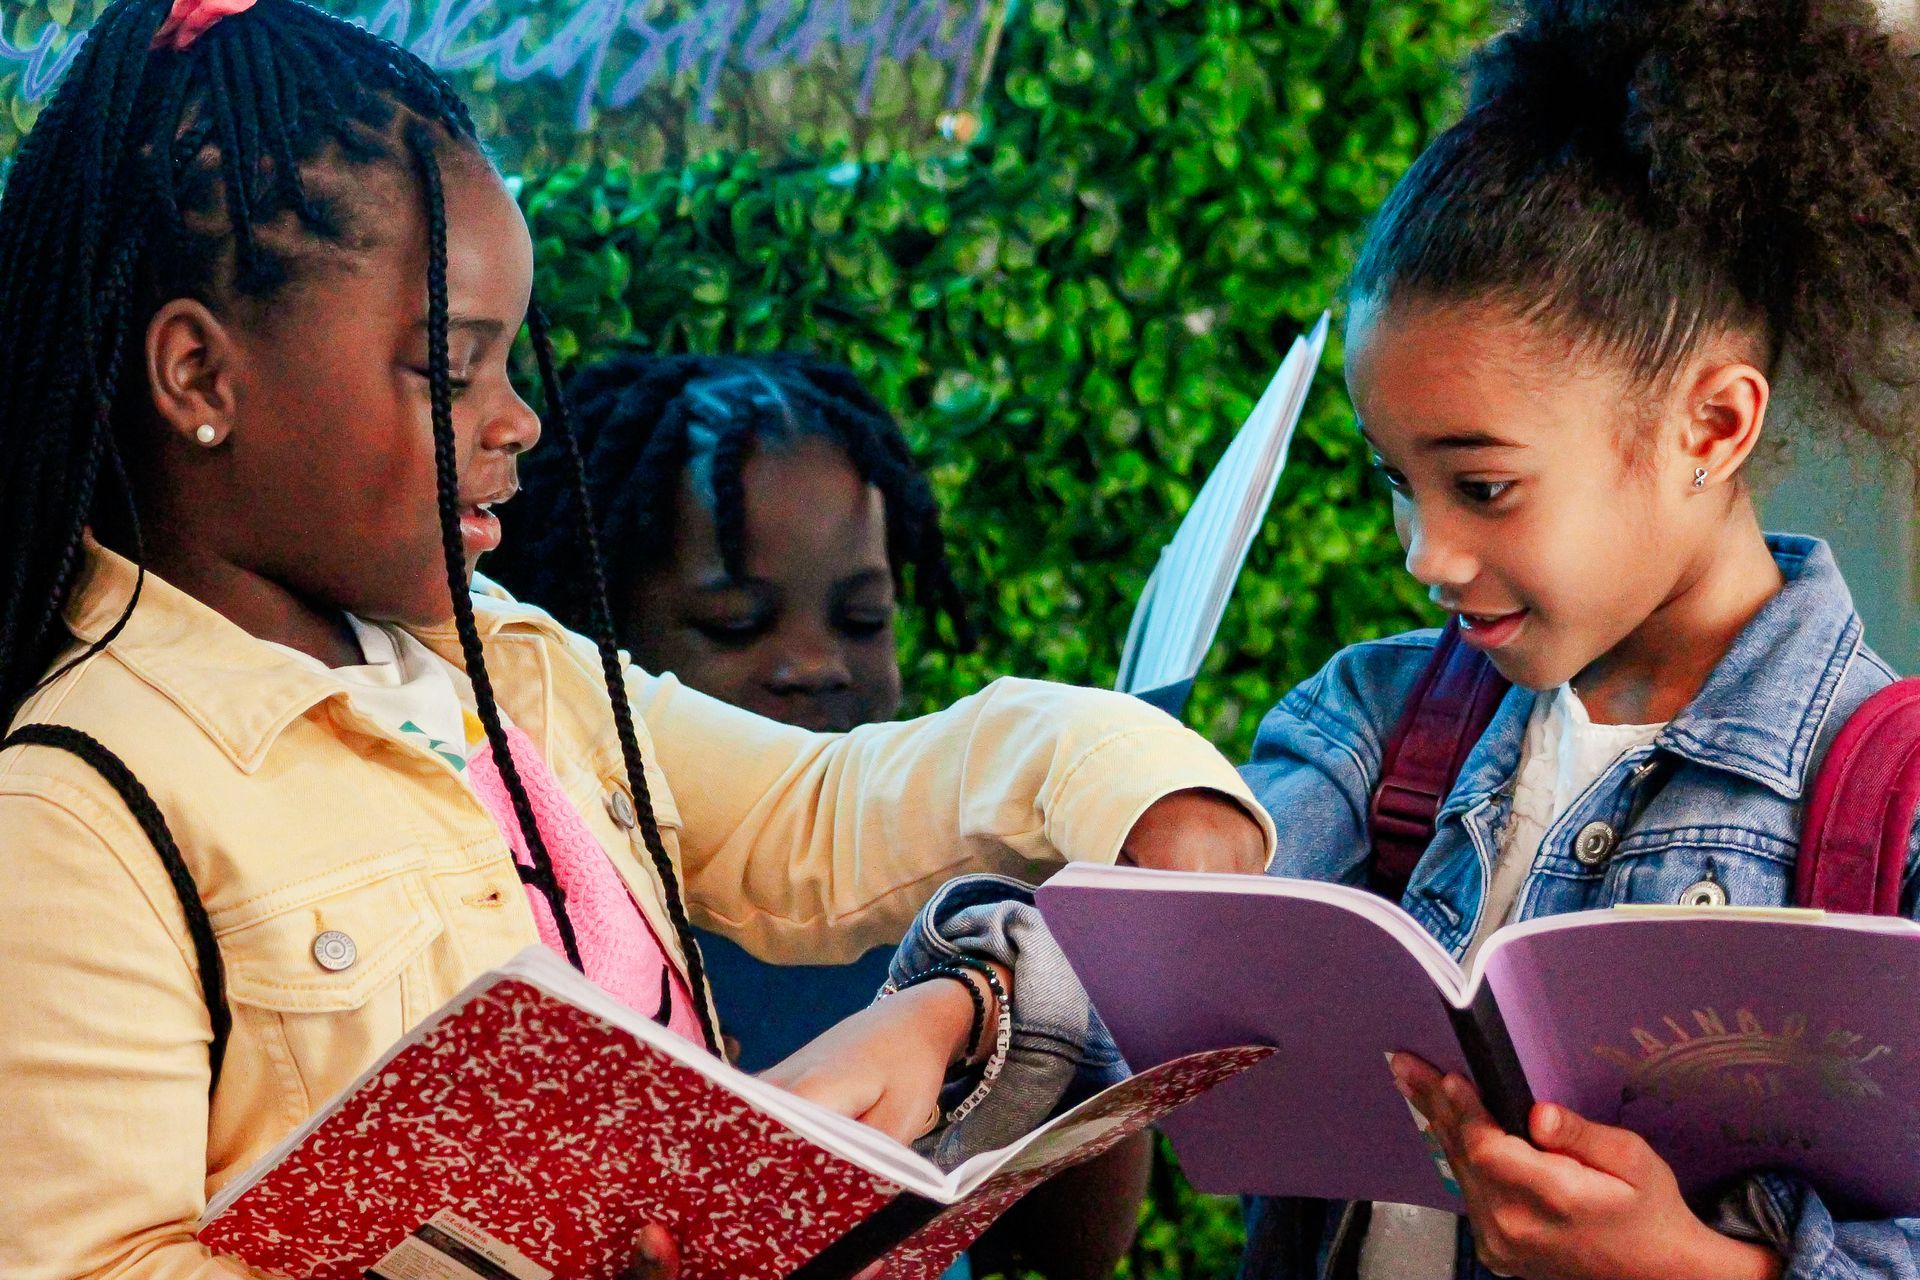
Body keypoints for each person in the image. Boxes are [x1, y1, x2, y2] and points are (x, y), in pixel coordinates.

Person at [0, 3, 1273, 1277]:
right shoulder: (74, 809)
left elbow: (825, 810)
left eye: (515, 360)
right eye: (452, 367)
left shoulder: (507, 667)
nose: (517, 422)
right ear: (199, 376)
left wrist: (1136, 778)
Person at [894, 0, 1920, 1276]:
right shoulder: (1379, 728)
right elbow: (1163, 935)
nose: (1422, 555)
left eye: (1481, 486)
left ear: (1711, 427)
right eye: (1395, 479)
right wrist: (961, 1001)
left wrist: (1697, 1267)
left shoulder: (1890, 804)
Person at [487, 350, 1155, 1280]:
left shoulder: (934, 884)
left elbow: (1077, 1244)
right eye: (734, 623)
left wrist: (1075, 954)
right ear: (597, 647)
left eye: (862, 619)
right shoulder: (559, 909)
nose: (816, 664)